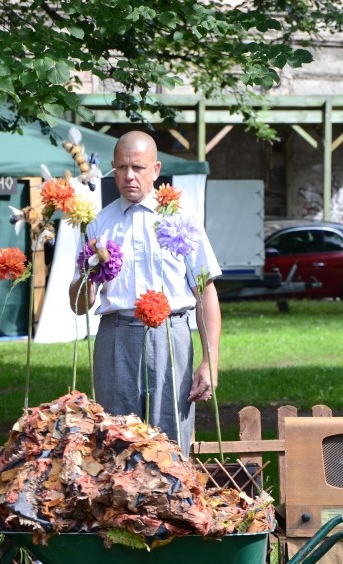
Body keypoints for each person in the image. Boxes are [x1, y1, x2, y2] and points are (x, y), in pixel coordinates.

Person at [68, 131, 222, 457]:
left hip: (171, 333)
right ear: (112, 168)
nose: (129, 176)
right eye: (121, 168)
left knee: (171, 435)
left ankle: (172, 502)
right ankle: (120, 505)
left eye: (137, 167)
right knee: (115, 436)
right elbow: (79, 305)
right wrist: (88, 275)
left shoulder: (181, 218)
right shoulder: (98, 224)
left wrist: (210, 362)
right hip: (116, 335)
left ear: (156, 169)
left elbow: (205, 291)